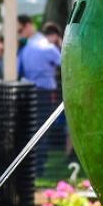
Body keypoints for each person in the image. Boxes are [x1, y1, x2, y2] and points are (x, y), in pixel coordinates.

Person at [18, 16, 63, 168]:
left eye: (19, 30)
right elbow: (63, 62)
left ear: (28, 26)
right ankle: (39, 164)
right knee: (42, 129)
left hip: (30, 92)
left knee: (34, 127)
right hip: (44, 94)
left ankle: (34, 163)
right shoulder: (47, 47)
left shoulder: (26, 49)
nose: (18, 34)